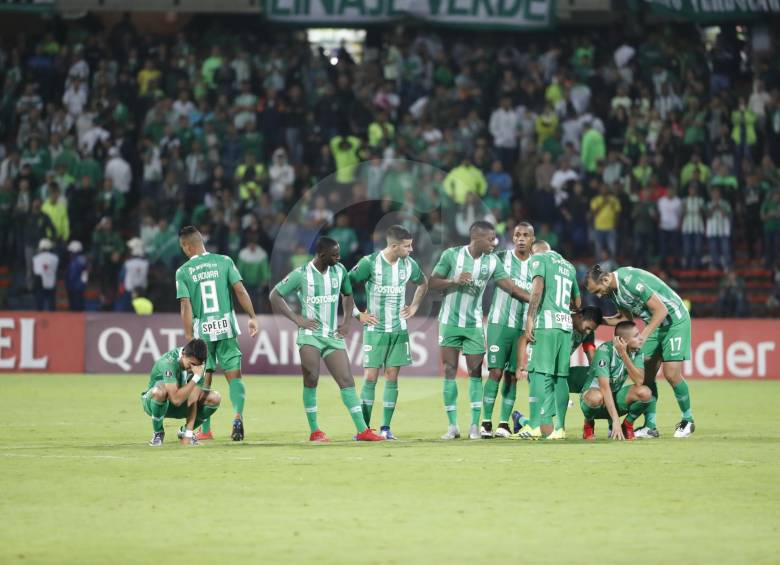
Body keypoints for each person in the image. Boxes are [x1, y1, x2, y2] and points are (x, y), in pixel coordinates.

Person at [270, 237, 385, 442]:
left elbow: (347, 295)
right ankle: (315, 431)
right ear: (322, 255)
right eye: (335, 255)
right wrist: (297, 319)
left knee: (347, 381)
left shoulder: (339, 271)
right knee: (311, 378)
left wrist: (347, 322)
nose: (339, 257)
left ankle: (362, 430)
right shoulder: (301, 274)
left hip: (332, 336)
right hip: (310, 336)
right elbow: (275, 295)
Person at [429, 221, 529, 440]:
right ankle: (452, 426)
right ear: (477, 238)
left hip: (474, 324)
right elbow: (432, 283)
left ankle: (474, 426)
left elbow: (511, 288)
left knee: (475, 374)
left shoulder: (492, 261)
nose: (494, 243)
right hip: (449, 322)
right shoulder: (451, 255)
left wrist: (537, 301)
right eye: (491, 239)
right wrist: (453, 280)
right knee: (449, 371)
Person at [586, 264, 695, 438]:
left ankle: (688, 420)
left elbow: (661, 310)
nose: (599, 296)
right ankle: (650, 426)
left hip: (675, 322)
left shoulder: (630, 281)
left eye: (598, 291)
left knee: (671, 374)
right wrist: (597, 320)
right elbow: (624, 319)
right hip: (655, 325)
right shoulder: (613, 293)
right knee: (645, 376)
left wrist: (643, 335)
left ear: (605, 279)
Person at [176, 226, 258, 441]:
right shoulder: (224, 261)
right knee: (235, 377)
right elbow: (240, 290)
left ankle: (205, 430)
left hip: (202, 333)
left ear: (187, 246)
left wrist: (189, 337)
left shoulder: (183, 271)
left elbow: (185, 305)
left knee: (203, 379)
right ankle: (238, 417)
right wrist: (252, 316)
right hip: (226, 328)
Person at [349, 225, 429, 440]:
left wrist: (414, 307)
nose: (411, 250)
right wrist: (357, 314)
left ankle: (385, 428)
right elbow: (344, 284)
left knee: (392, 376)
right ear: (394, 246)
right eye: (407, 246)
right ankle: (364, 429)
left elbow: (423, 282)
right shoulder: (369, 263)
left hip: (399, 329)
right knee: (370, 377)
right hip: (375, 329)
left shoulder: (409, 264)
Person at [517, 240, 581, 440]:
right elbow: (577, 302)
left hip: (546, 325)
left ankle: (535, 426)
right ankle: (559, 429)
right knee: (560, 377)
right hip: (565, 327)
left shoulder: (538, 258)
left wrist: (530, 317)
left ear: (534, 251)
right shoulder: (569, 266)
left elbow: (537, 288)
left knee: (537, 373)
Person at [480, 222, 535, 439]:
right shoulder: (501, 258)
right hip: (498, 323)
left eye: (525, 235)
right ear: (513, 238)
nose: (521, 239)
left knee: (512, 375)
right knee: (495, 372)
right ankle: (486, 422)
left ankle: (503, 423)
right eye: (517, 235)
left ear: (532, 239)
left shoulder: (537, 265)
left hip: (522, 328)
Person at [580, 321, 653, 441]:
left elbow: (639, 380)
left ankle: (627, 425)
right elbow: (604, 388)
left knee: (645, 392)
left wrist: (623, 353)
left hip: (615, 397)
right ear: (622, 341)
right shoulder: (605, 351)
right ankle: (588, 422)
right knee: (595, 397)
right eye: (636, 336)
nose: (641, 338)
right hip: (595, 398)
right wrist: (615, 421)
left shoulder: (637, 351)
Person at [141, 338, 221, 447]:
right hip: (153, 403)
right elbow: (176, 400)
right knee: (160, 391)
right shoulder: (169, 362)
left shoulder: (199, 365)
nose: (193, 368)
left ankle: (184, 432)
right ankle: (158, 433)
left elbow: (193, 401)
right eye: (191, 364)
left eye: (197, 365)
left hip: (180, 403)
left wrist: (188, 433)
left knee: (215, 398)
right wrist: (195, 378)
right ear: (183, 354)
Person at [32, 238, 59, 311]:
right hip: (51, 280)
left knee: (39, 302)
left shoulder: (36, 258)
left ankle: (39, 314)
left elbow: (35, 270)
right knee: (51, 302)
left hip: (39, 280)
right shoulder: (55, 258)